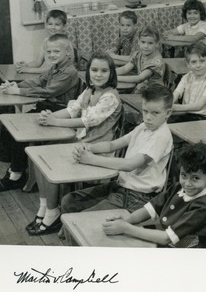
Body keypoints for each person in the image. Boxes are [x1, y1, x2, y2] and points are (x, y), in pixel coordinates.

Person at [25, 52, 123, 235]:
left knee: (49, 161)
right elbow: (72, 110)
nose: (98, 74)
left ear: (112, 74)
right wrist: (50, 116)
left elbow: (86, 121)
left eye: (104, 71)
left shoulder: (110, 96)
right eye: (94, 70)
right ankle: (45, 206)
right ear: (88, 71)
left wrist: (55, 122)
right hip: (82, 142)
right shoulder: (90, 90)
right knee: (38, 154)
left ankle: (53, 213)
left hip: (97, 150)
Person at [60, 84, 174, 216]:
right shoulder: (144, 126)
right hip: (121, 186)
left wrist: (91, 159)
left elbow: (129, 165)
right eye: (145, 111)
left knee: (80, 219)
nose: (148, 117)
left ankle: (70, 232)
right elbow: (112, 145)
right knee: (69, 201)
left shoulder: (161, 136)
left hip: (138, 197)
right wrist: (89, 148)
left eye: (155, 113)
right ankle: (67, 232)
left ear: (168, 113)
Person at [0, 34, 79, 192]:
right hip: (46, 107)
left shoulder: (69, 72)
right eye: (49, 52)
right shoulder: (55, 67)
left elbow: (47, 91)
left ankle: (16, 174)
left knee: (20, 129)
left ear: (68, 52)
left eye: (56, 52)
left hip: (59, 112)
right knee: (9, 125)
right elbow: (39, 80)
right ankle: (15, 168)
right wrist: (16, 84)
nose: (51, 55)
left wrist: (18, 91)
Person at [101, 142, 206, 248]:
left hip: (182, 252)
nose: (187, 183)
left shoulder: (203, 206)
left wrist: (126, 228)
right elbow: (151, 208)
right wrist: (127, 220)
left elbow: (166, 238)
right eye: (183, 175)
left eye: (195, 178)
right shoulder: (179, 188)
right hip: (163, 239)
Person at [172, 42, 206, 121]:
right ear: (188, 64)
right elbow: (176, 94)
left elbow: (199, 106)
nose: (198, 65)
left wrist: (175, 107)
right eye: (194, 62)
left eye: (202, 61)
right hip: (186, 114)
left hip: (203, 119)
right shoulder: (186, 77)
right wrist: (168, 104)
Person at [15, 9, 69, 74]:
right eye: (50, 24)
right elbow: (38, 62)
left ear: (64, 27)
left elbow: (54, 69)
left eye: (57, 24)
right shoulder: (46, 41)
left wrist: (27, 70)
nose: (53, 27)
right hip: (49, 77)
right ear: (46, 25)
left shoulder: (65, 43)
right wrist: (25, 65)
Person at [116, 25, 165, 93]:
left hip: (153, 93)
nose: (146, 46)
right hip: (141, 88)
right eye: (143, 42)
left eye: (150, 43)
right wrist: (111, 73)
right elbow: (125, 69)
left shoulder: (156, 62)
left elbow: (139, 78)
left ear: (157, 44)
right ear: (138, 41)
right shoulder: (139, 54)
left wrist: (115, 78)